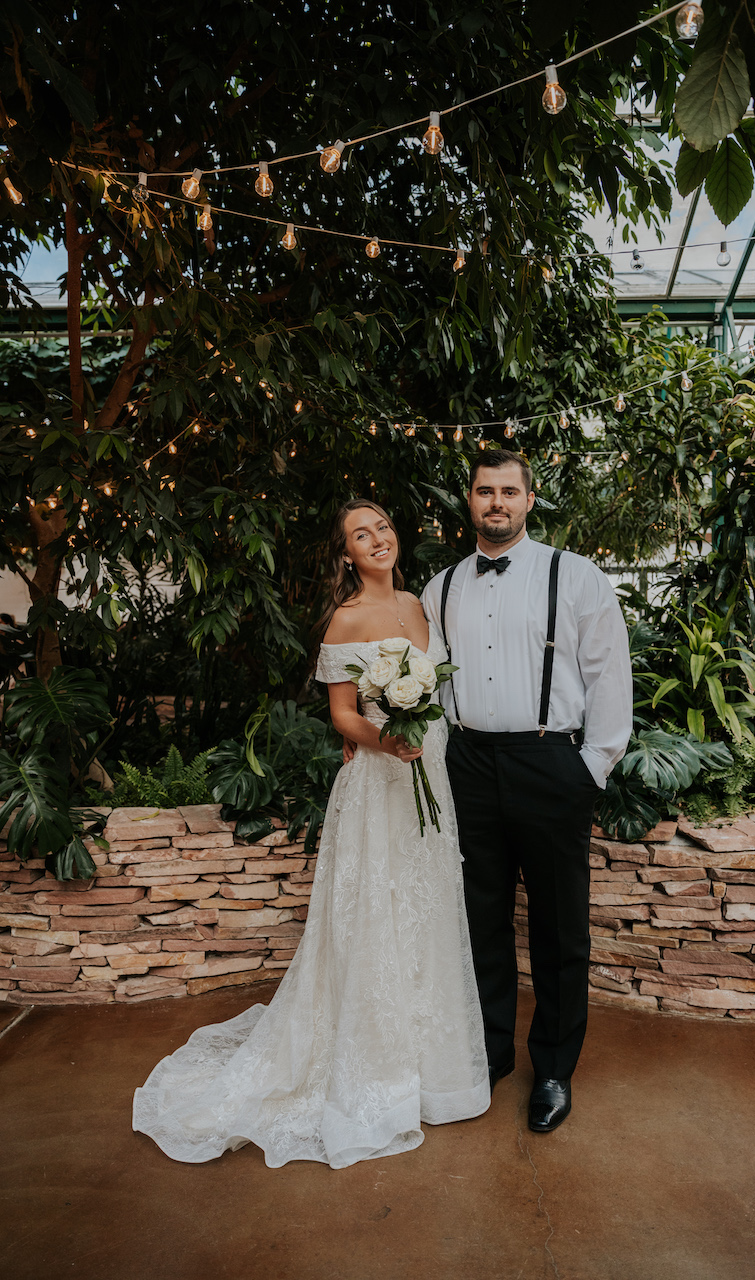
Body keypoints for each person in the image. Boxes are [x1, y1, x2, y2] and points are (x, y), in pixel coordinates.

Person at [133, 499, 489, 1168]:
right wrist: (386, 740)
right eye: (361, 533)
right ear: (346, 554)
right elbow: (342, 718)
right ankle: (375, 1067)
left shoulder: (421, 605)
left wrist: (417, 740)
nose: (377, 538)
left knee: (427, 913)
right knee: (375, 919)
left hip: (430, 777)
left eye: (382, 526)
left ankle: (434, 1071)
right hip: (380, 785)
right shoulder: (344, 620)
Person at [421, 450, 632, 1134]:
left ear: (529, 500)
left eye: (508, 491)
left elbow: (609, 677)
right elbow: (424, 684)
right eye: (485, 490)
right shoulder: (440, 586)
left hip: (549, 762)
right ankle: (488, 1053)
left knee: (557, 924)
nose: (496, 503)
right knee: (479, 918)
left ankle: (552, 1068)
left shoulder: (574, 577)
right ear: (469, 498)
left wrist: (589, 766)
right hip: (469, 764)